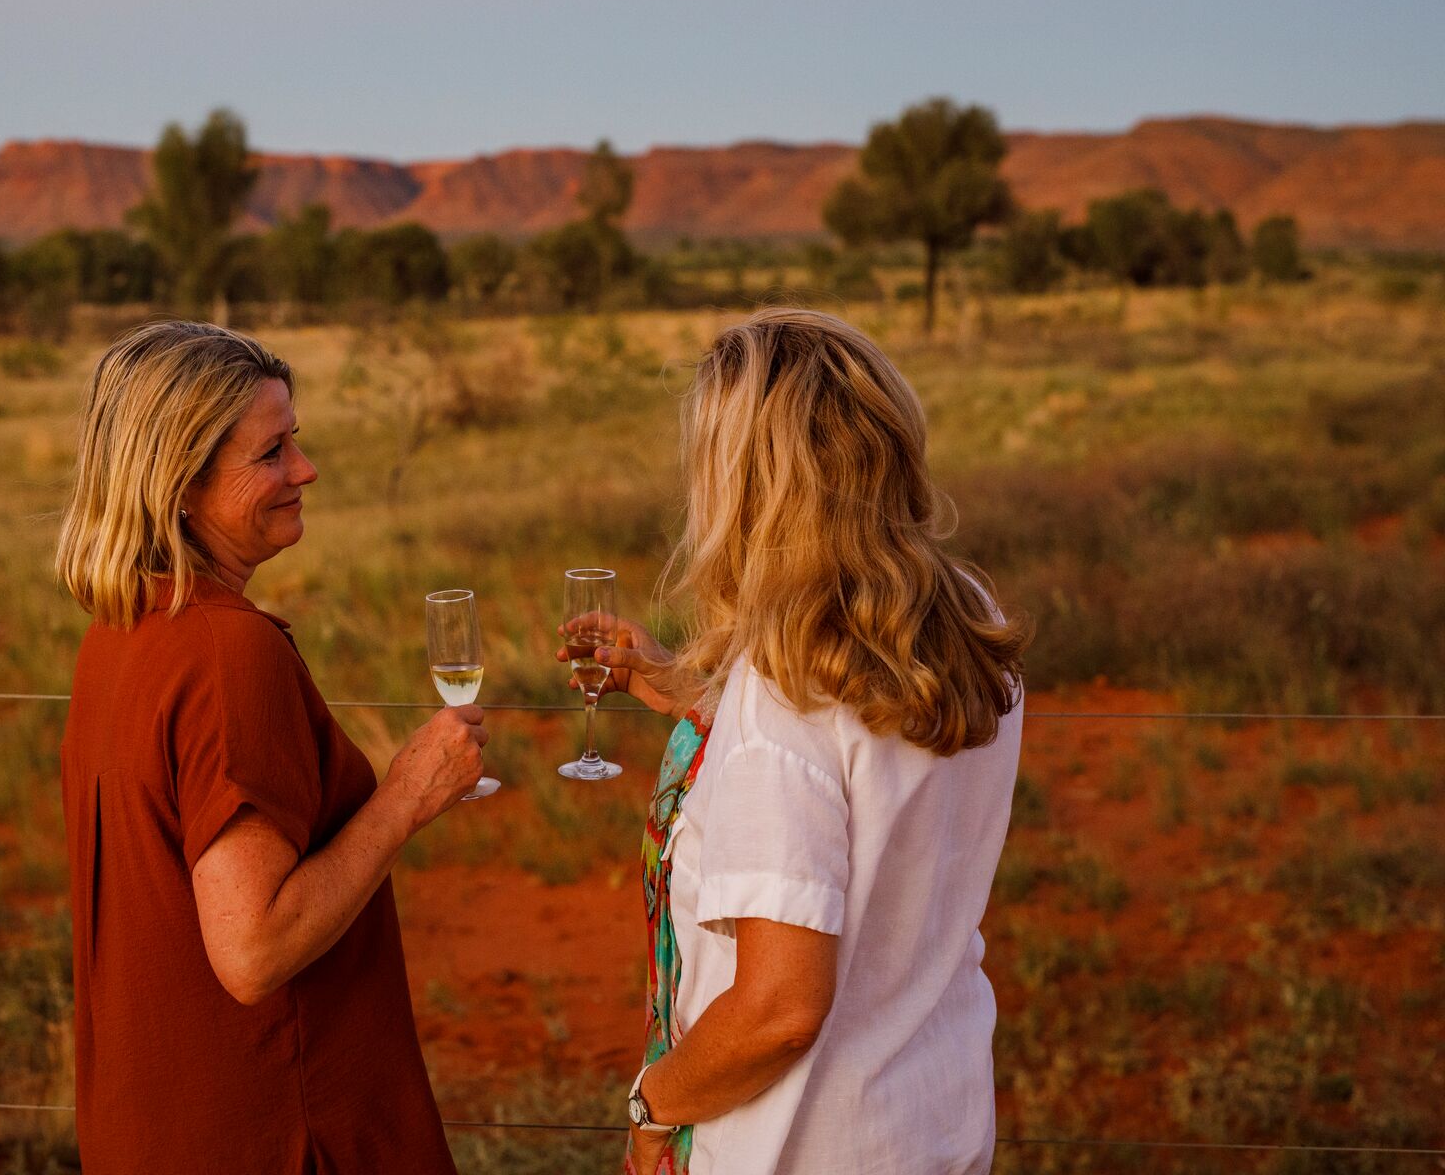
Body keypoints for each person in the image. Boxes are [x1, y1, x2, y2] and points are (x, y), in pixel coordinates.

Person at [566, 309, 1031, 1174]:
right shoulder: (962, 615)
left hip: (793, 1149)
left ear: (745, 482)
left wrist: (652, 1106)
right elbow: (871, 768)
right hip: (932, 1124)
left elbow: (780, 1008)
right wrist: (698, 697)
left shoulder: (784, 692)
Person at [54, 320, 483, 1174]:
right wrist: (408, 796)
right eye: (271, 453)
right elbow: (255, 951)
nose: (305, 470)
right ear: (178, 482)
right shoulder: (224, 652)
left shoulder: (123, 631)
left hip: (155, 1127)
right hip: (273, 1133)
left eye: (297, 442)